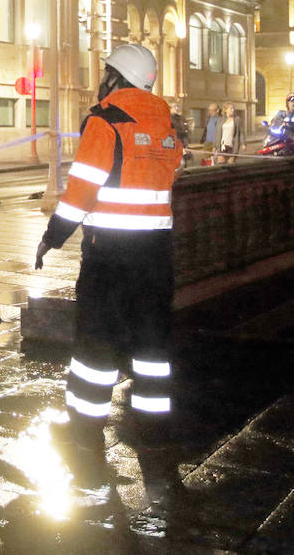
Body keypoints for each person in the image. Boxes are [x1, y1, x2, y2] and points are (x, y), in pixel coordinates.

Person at [34, 43, 183, 527]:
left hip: (111, 258)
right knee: (152, 349)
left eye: (105, 73)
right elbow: (172, 170)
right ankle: (154, 430)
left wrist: (53, 236)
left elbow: (82, 189)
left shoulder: (106, 120)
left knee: (95, 348)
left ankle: (85, 431)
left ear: (115, 77)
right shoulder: (165, 124)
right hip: (157, 257)